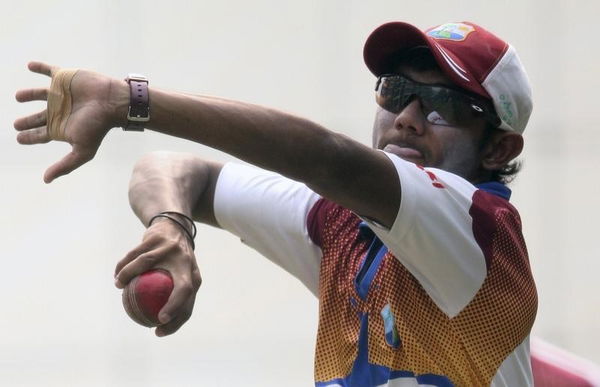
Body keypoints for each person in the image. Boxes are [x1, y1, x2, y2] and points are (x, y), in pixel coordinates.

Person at [14, 21, 537, 386]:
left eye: (443, 105)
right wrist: (171, 223)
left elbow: (328, 158)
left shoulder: (477, 227)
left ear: (497, 148)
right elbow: (169, 169)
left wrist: (131, 100)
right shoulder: (343, 225)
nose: (406, 117)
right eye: (396, 91)